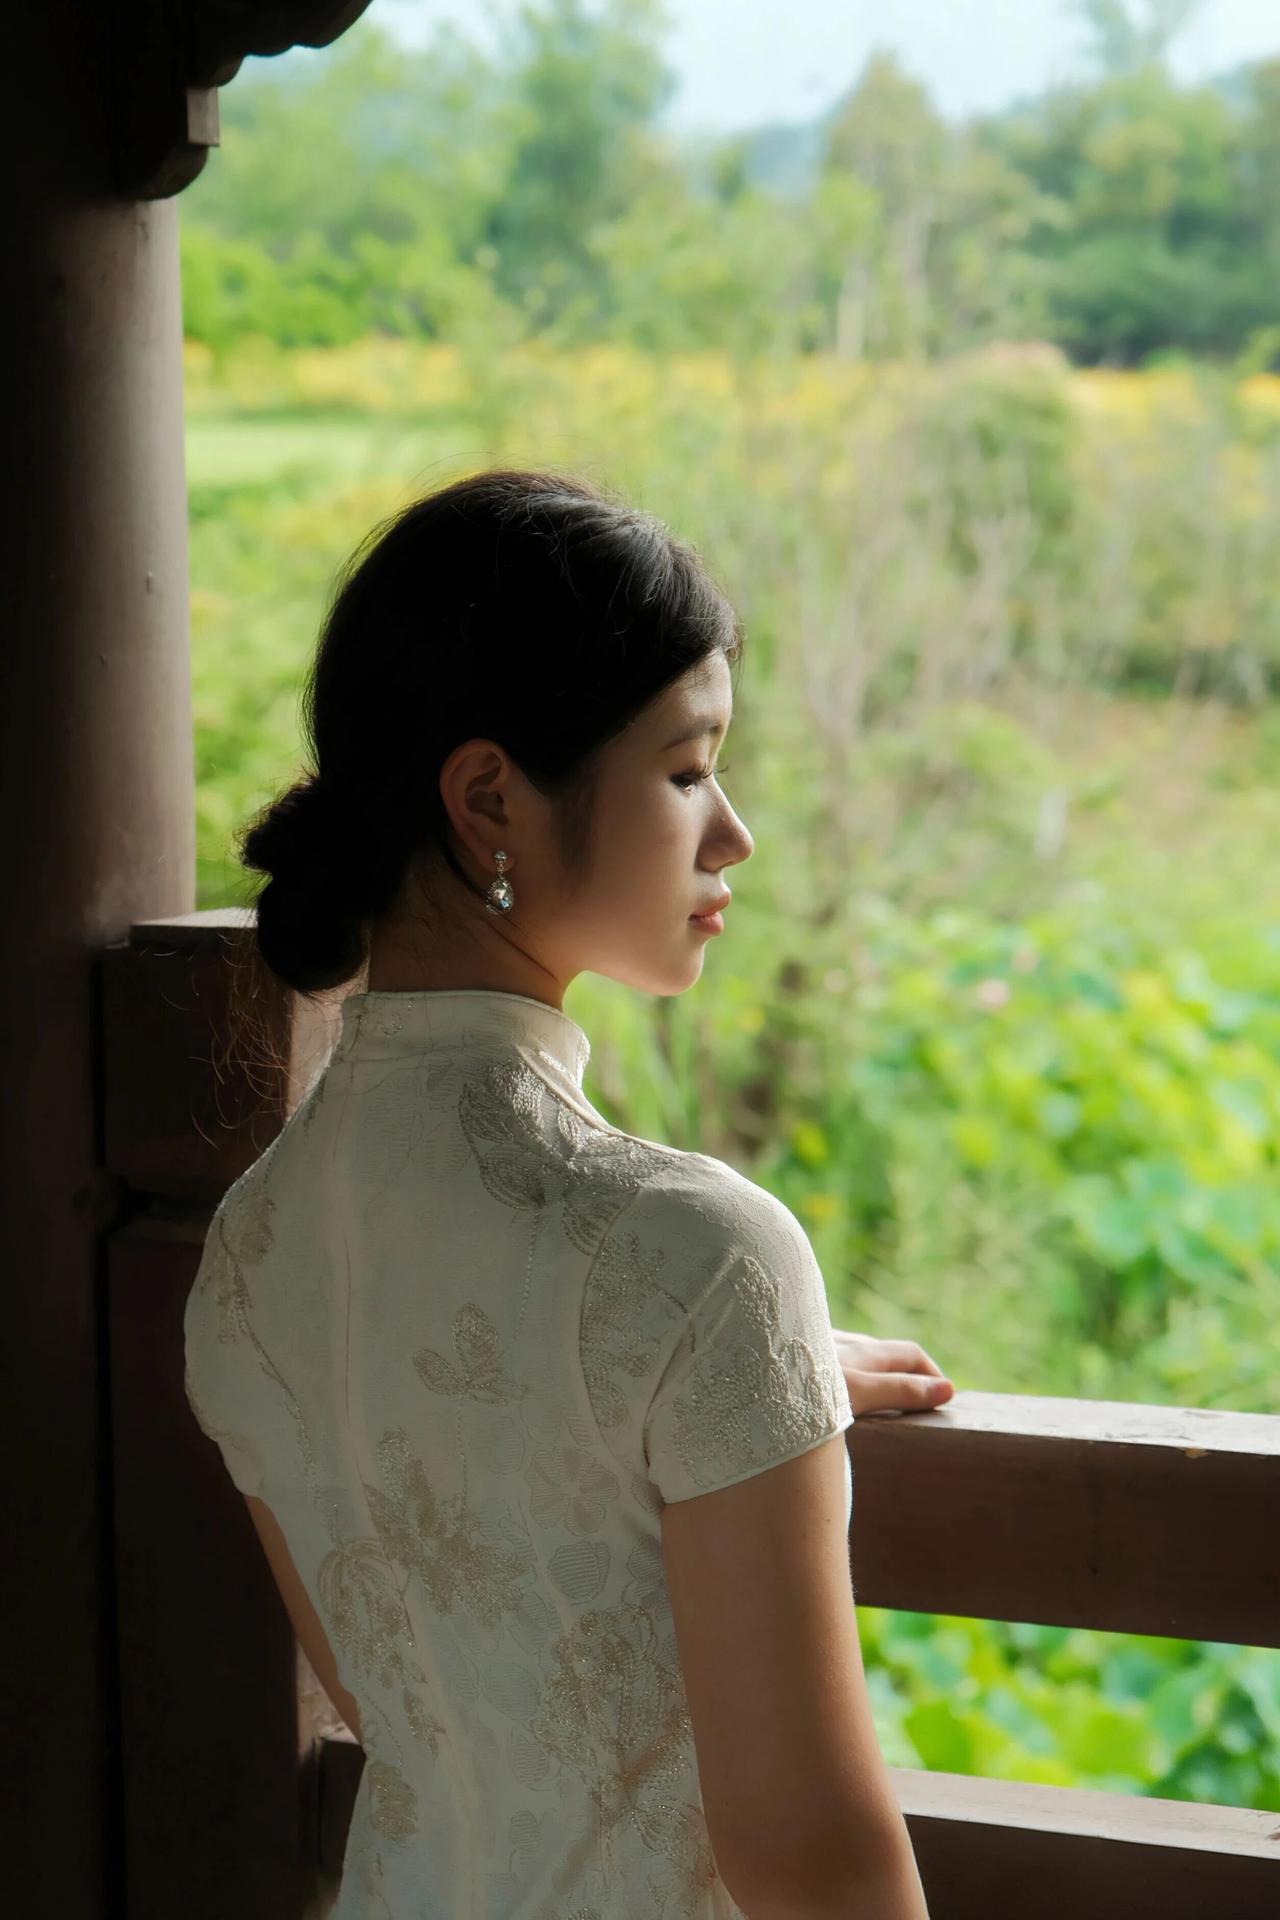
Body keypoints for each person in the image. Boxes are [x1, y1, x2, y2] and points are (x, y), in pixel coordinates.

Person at [184, 468, 946, 1919]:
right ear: (490, 799)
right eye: (687, 770)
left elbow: (406, 1700)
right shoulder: (697, 1257)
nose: (733, 834)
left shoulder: (248, 1252)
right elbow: (809, 1859)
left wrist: (754, 1380)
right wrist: (725, 1343)